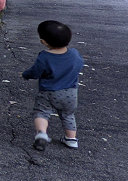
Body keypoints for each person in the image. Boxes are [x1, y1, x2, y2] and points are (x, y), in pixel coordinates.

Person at [22, 20, 84, 150]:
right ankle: (71, 139)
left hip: (49, 92)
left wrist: (26, 75)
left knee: (42, 112)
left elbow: (36, 72)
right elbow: (79, 65)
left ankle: (42, 134)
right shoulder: (74, 54)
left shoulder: (44, 57)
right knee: (68, 115)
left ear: (44, 41)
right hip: (70, 93)